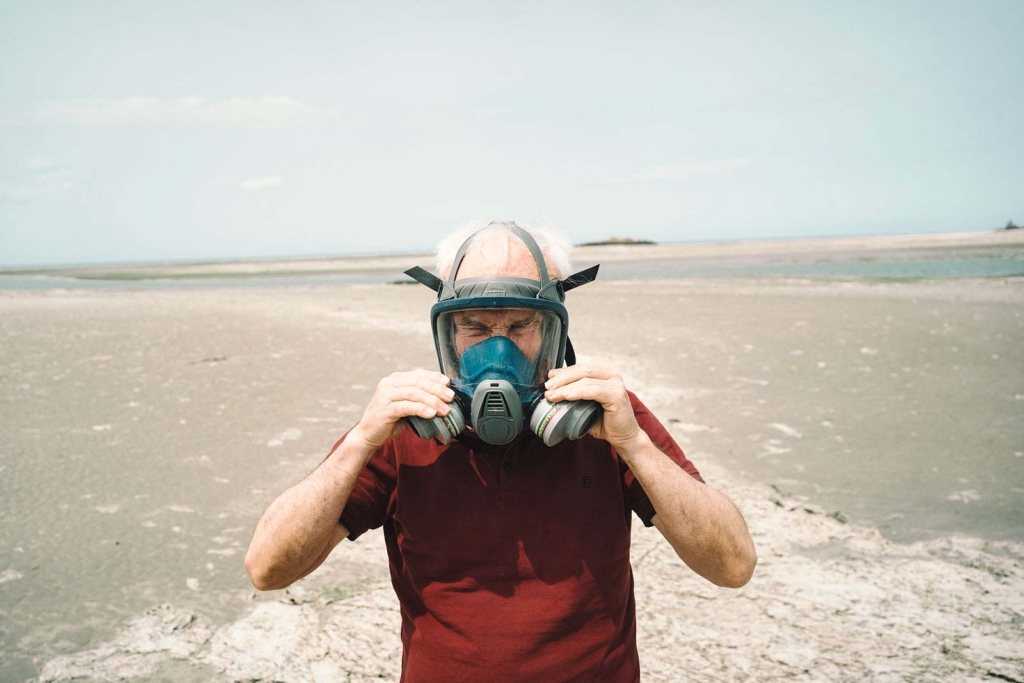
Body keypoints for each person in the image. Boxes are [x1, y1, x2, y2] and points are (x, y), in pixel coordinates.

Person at [245, 221, 757, 681]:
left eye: (520, 326)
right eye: (474, 326)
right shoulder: (407, 426)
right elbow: (268, 569)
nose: (498, 349)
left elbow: (732, 566)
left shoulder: (606, 417)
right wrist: (360, 439)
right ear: (446, 332)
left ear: (555, 328)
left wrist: (635, 445)